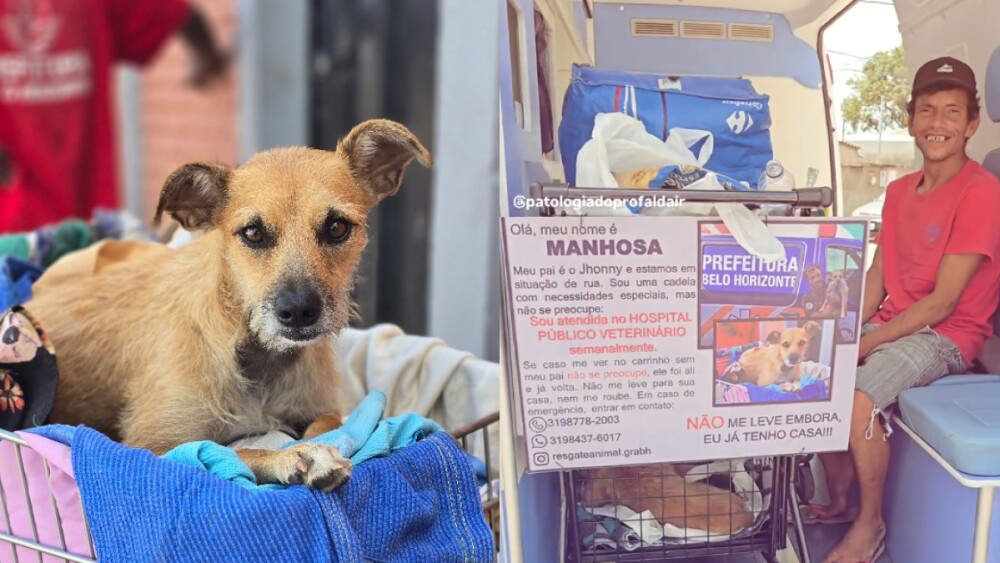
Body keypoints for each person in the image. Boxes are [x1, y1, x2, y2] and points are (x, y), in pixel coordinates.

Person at [811, 56, 1000, 563]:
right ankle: (842, 496)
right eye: (927, 110)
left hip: (947, 334)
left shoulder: (983, 192)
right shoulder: (897, 192)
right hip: (898, 320)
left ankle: (870, 526)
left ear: (972, 124)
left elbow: (944, 302)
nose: (938, 123)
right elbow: (877, 277)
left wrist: (866, 344)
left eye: (952, 112)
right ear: (910, 119)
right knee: (815, 369)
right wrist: (841, 331)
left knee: (856, 397)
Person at [0, 0, 227, 234]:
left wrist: (206, 55)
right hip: (83, 225)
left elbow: (172, 12)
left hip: (33, 221)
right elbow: (180, 15)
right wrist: (207, 55)